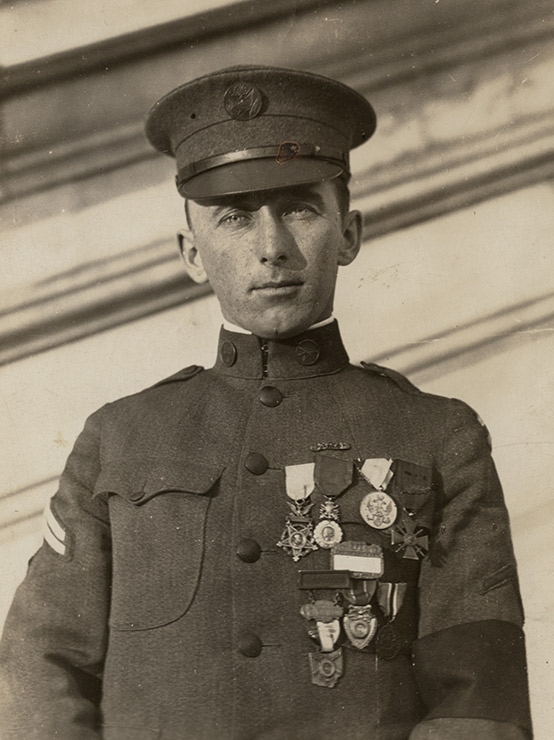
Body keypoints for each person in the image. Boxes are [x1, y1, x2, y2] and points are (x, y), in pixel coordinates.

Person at [0, 65, 532, 740]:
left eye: (301, 209)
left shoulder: (439, 437)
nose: (271, 248)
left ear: (350, 234)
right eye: (234, 217)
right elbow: (38, 671)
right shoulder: (118, 438)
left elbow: (480, 702)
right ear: (192, 252)